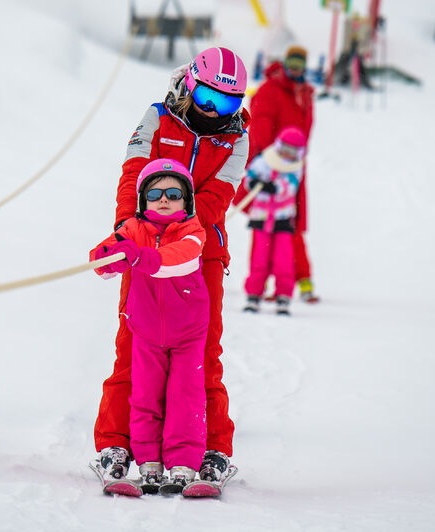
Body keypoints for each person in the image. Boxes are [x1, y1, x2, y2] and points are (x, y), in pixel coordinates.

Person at [93, 46, 250, 485]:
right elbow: (134, 172)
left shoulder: (236, 136)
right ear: (190, 85)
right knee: (134, 342)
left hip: (203, 252)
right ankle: (115, 443)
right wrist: (129, 231)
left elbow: (220, 196)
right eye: (207, 98)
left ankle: (213, 448)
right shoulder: (157, 117)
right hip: (143, 243)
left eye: (227, 104)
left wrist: (181, 239)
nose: (213, 111)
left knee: (201, 352)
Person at [90, 159, 210, 488]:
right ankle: (149, 463)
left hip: (188, 331)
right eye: (155, 193)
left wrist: (141, 257)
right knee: (144, 396)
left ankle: (183, 464)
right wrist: (108, 257)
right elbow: (104, 256)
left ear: (187, 201)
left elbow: (177, 260)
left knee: (185, 395)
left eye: (174, 193)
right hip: (145, 330)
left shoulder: (193, 232)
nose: (164, 199)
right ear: (144, 199)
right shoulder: (133, 229)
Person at [235, 44, 319, 303]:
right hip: (272, 166)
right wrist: (264, 163)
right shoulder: (270, 90)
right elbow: (260, 124)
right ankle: (269, 282)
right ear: (284, 64)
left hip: (294, 166)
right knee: (269, 228)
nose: (295, 69)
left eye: (300, 65)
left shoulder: (304, 92)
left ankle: (294, 280)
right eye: (291, 64)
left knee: (289, 224)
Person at [241, 126, 307, 316]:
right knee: (259, 258)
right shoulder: (264, 160)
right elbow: (251, 175)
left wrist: (274, 187)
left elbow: (290, 186)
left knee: (283, 260)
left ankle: (283, 295)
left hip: (282, 220)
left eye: (293, 151)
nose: (288, 154)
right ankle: (254, 294)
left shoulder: (295, 167)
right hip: (261, 218)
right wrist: (253, 182)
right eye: (285, 148)